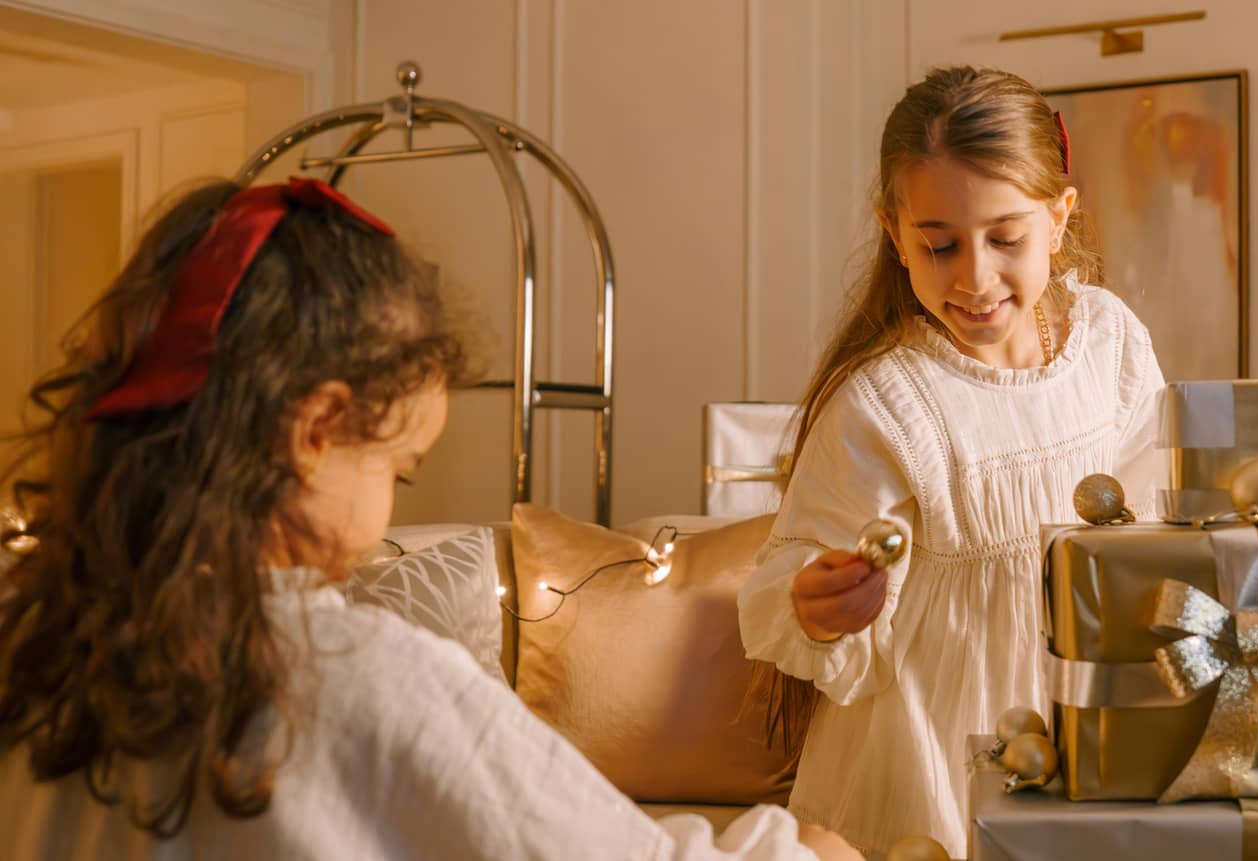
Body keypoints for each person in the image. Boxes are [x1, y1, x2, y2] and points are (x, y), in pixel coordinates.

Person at [0, 178, 858, 860]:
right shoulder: (358, 677)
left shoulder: (38, 652)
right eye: (398, 473)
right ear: (316, 432)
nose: (382, 520)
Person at [738, 66, 1168, 856]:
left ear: (1060, 219)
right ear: (896, 235)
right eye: (940, 244)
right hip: (921, 753)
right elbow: (788, 577)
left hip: (1080, 732)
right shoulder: (886, 405)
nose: (974, 276)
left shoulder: (1110, 345)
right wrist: (816, 603)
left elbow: (1155, 527)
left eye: (1006, 238)